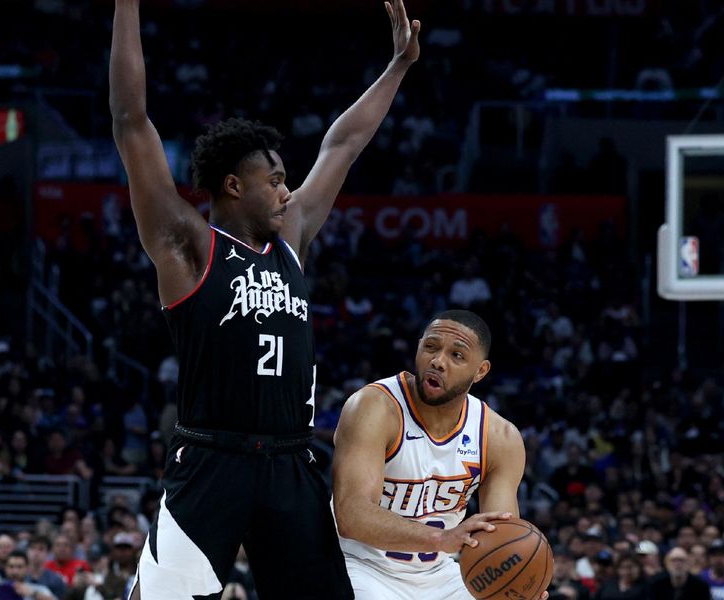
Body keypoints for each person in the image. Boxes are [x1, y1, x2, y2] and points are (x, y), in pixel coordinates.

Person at [108, 0, 420, 597]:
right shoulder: (189, 244)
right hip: (211, 461)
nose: (286, 190)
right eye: (274, 179)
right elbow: (130, 119)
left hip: (289, 462)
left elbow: (343, 145)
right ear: (232, 186)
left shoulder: (293, 237)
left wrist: (398, 66)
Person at [331, 309, 549, 599]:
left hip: (441, 574)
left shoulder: (499, 437)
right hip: (361, 566)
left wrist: (516, 582)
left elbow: (500, 537)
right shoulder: (374, 407)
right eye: (430, 347)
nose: (437, 361)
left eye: (457, 356)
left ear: (480, 371)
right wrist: (442, 538)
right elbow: (352, 516)